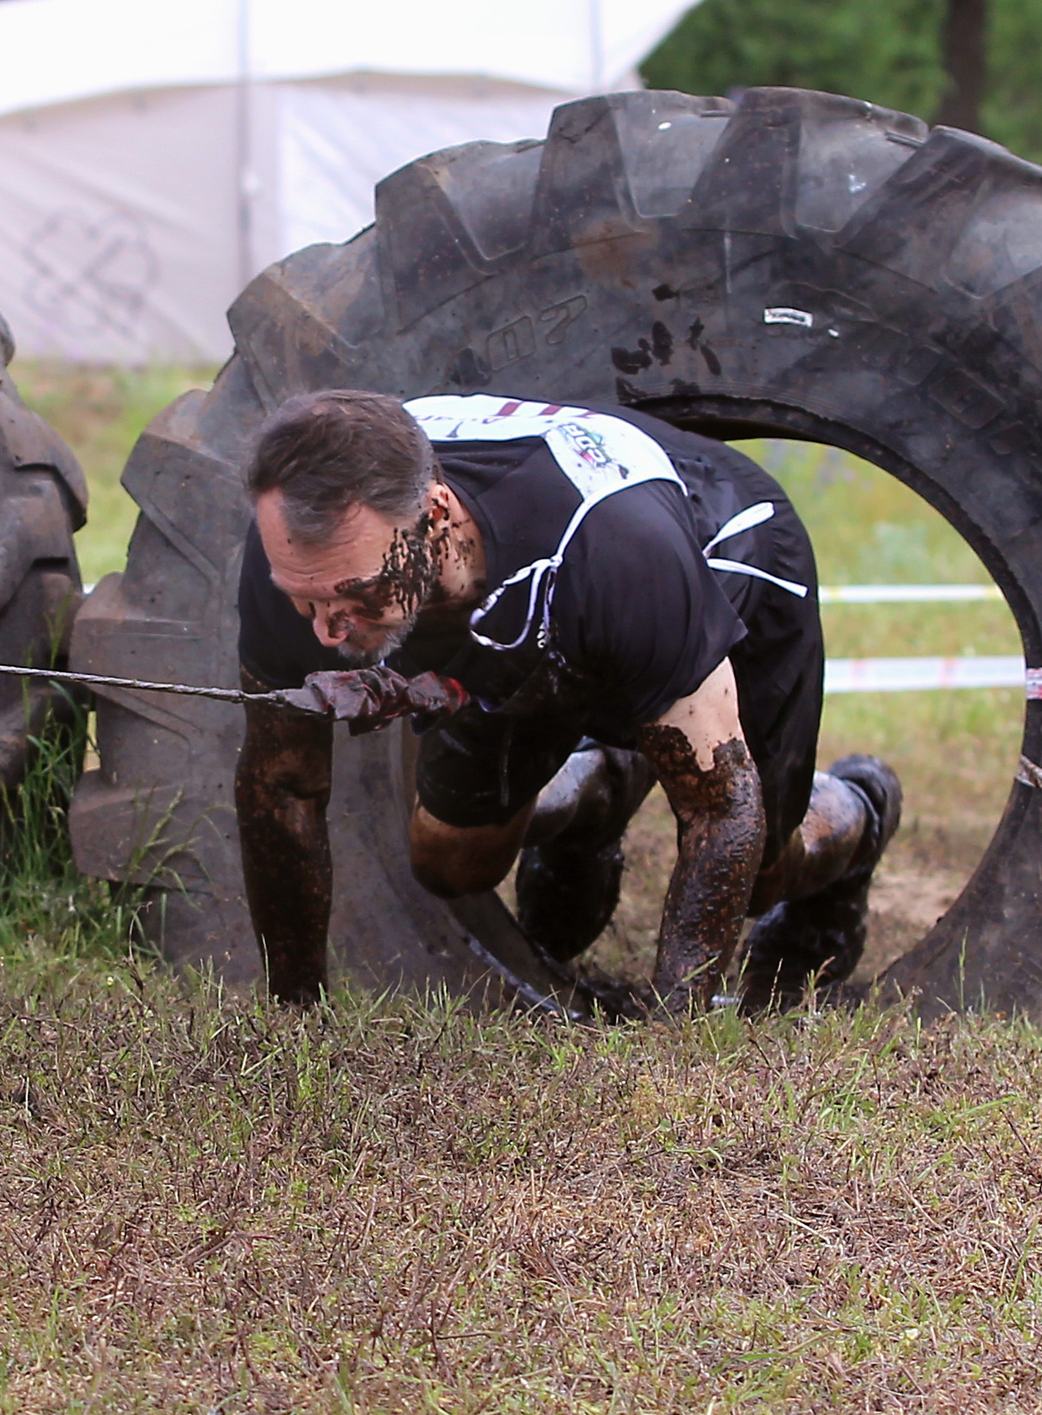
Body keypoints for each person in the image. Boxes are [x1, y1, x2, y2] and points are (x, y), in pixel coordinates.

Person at [232, 389, 901, 1015]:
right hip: (525, 611)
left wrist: (677, 1045)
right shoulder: (300, 556)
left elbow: (722, 809)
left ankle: (862, 808)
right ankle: (605, 782)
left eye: (358, 591)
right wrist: (294, 1010)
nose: (323, 628)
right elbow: (281, 781)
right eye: (303, 596)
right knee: (451, 860)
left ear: (436, 517)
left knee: (757, 873)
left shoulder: (619, 549)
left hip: (715, 555)